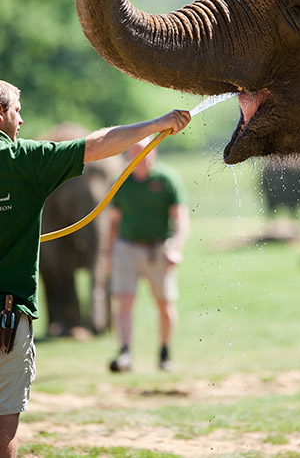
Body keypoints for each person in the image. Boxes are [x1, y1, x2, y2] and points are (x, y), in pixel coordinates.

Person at [0, 79, 191, 458]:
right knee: (4, 425)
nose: (21, 119)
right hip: (7, 319)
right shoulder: (25, 161)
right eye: (15, 110)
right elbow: (98, 144)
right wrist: (157, 124)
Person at [107, 138, 189, 373]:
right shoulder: (121, 182)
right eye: (134, 153)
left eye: (145, 152)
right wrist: (108, 253)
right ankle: (124, 353)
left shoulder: (166, 179)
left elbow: (180, 217)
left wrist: (176, 248)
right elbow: (113, 222)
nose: (141, 158)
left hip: (158, 248)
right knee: (124, 300)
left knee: (164, 302)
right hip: (126, 247)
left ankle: (164, 352)